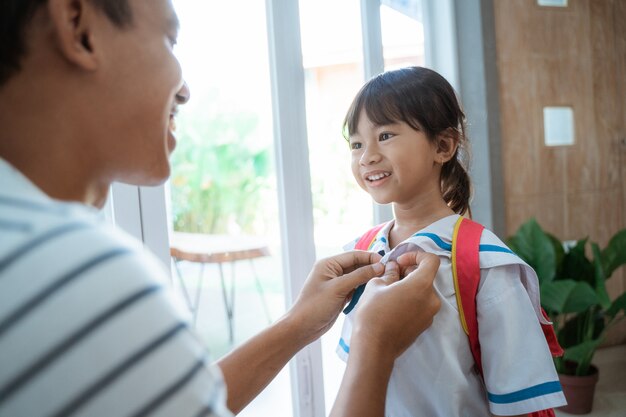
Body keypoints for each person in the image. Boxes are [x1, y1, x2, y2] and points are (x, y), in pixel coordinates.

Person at [0, 1, 442, 417]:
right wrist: (375, 342)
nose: (186, 90)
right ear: (79, 26)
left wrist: (296, 324)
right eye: (168, 41)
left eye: (387, 135)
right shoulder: (83, 277)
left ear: (444, 146)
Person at [336, 66, 568, 417]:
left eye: (385, 135)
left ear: (443, 146)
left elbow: (521, 398)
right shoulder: (362, 255)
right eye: (356, 143)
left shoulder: (484, 262)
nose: (366, 155)